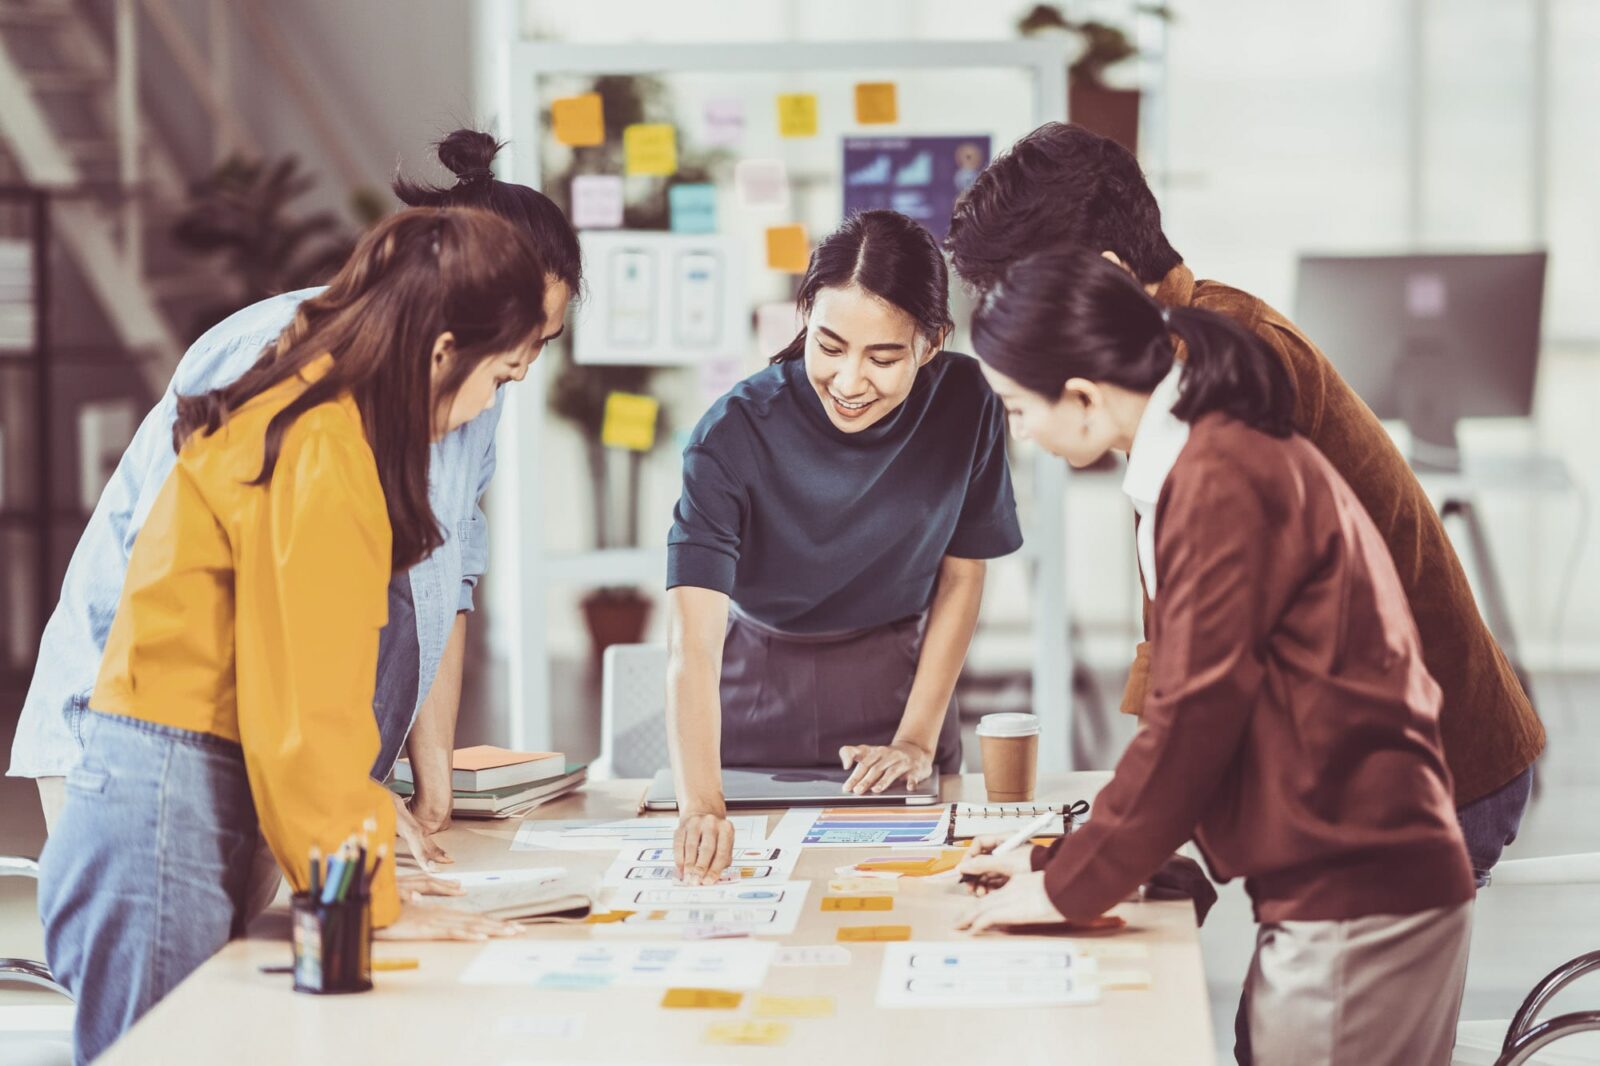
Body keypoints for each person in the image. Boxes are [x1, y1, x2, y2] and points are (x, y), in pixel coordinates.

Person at [945, 122, 1543, 885]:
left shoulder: (1221, 377)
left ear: (1102, 276)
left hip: (1420, 772)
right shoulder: (1171, 363)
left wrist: (1115, 847)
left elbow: (1214, 673)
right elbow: (1183, 646)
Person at [39, 206, 545, 1065]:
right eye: (501, 376)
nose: (489, 407)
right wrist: (381, 896)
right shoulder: (321, 447)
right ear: (439, 353)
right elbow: (306, 721)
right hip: (163, 795)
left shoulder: (318, 413)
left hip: (188, 788)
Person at [10, 129, 579, 892]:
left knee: (278, 969)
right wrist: (346, 797)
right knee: (199, 990)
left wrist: (428, 774)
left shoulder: (466, 396)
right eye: (513, 347)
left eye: (536, 346)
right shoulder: (285, 365)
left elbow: (451, 573)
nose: (522, 368)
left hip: (280, 761)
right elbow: (241, 617)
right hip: (157, 744)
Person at [957, 249, 1476, 1066]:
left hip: (1356, 889)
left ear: (1085, 399)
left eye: (1019, 409)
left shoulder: (1219, 476)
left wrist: (1064, 889)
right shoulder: (1209, 455)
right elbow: (1217, 712)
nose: (1020, 434)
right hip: (1354, 879)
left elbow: (1195, 718)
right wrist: (1073, 857)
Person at [667, 210, 1023, 884]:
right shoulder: (732, 432)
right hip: (748, 701)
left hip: (899, 693)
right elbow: (693, 641)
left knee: (912, 910)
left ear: (932, 342)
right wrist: (701, 803)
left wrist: (916, 739)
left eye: (883, 357)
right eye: (828, 346)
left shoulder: (968, 403)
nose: (850, 381)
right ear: (804, 318)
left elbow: (962, 576)